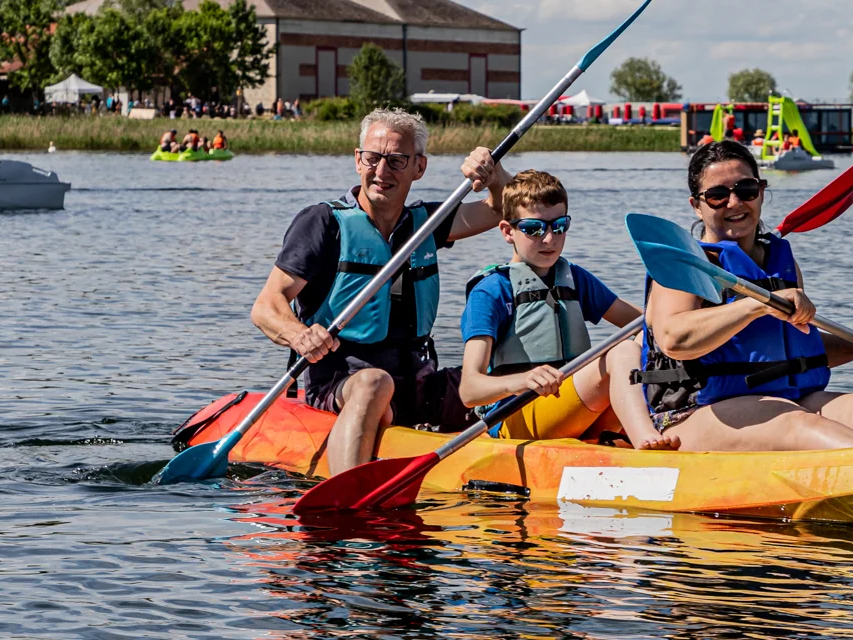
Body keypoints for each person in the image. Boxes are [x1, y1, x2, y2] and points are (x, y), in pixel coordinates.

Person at [632, 141, 853, 453]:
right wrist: (757, 305)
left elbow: (794, 354)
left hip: (787, 399)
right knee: (798, 424)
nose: (734, 203)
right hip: (695, 416)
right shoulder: (685, 265)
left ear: (762, 191)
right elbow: (674, 339)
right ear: (697, 205)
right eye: (718, 195)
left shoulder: (781, 262)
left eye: (746, 189)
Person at [250, 108, 511, 474]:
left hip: (416, 379)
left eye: (397, 160)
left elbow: (507, 209)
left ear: (419, 167)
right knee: (375, 384)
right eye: (372, 158)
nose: (382, 171)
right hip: (341, 381)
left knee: (505, 380)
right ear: (358, 161)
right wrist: (300, 335)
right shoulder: (323, 223)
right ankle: (347, 491)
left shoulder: (428, 224)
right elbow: (266, 306)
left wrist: (494, 173)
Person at [456, 170, 673, 449]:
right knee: (620, 352)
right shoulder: (491, 291)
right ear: (508, 231)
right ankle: (645, 439)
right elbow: (469, 390)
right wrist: (523, 380)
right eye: (534, 228)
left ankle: (635, 431)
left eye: (559, 226)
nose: (549, 239)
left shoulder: (575, 278)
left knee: (649, 333)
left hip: (572, 407)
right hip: (518, 414)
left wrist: (673, 291)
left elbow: (647, 326)